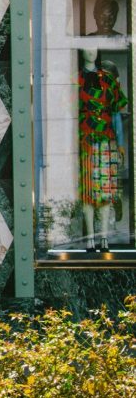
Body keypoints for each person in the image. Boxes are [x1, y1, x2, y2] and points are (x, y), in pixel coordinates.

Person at [78, 50, 129, 251]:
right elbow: (68, 115)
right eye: (87, 47)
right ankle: (90, 238)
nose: (91, 51)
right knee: (88, 192)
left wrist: (121, 143)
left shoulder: (108, 80)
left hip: (106, 142)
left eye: (94, 48)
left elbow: (116, 114)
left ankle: (104, 238)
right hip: (85, 143)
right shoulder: (75, 80)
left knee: (105, 192)